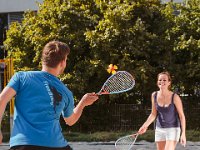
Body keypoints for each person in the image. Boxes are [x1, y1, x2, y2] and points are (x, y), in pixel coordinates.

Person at [0, 41, 99, 150]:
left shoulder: (22, 77)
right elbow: (70, 121)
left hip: (23, 144)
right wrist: (83, 103)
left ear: (43, 60)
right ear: (62, 62)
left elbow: (2, 100)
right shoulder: (65, 92)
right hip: (56, 145)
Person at [138, 71, 186, 150]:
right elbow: (153, 114)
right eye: (160, 80)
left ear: (169, 82)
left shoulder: (175, 97)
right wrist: (144, 126)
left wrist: (183, 133)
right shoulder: (154, 95)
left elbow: (181, 116)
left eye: (164, 80)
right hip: (159, 129)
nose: (162, 82)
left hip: (173, 129)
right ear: (157, 82)